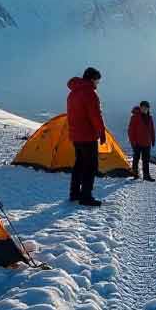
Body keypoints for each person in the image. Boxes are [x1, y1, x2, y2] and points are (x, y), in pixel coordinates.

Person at [66, 67, 105, 206]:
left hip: (75, 135)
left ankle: (74, 193)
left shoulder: (72, 93)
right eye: (97, 80)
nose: (97, 83)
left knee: (79, 164)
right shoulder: (89, 93)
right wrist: (101, 132)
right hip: (88, 136)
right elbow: (95, 116)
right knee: (91, 166)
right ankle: (86, 197)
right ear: (92, 79)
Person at [127, 101, 156, 181]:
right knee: (136, 159)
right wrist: (133, 142)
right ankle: (135, 175)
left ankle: (146, 176)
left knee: (146, 160)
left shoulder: (150, 117)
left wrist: (153, 139)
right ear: (140, 108)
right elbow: (130, 131)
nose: (145, 109)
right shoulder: (135, 117)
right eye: (143, 107)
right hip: (137, 143)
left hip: (147, 143)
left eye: (146, 107)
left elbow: (152, 129)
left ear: (148, 108)